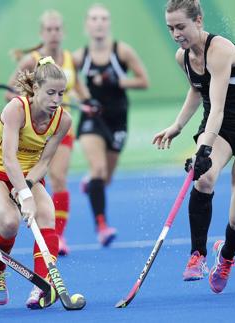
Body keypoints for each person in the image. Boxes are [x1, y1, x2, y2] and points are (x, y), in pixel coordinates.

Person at [154, 0, 235, 294]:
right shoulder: (182, 57)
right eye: (170, 28)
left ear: (198, 20)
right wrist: (178, 126)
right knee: (203, 177)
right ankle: (198, 255)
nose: (176, 34)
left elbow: (217, 107)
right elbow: (198, 89)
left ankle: (227, 256)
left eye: (181, 26)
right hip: (220, 131)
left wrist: (203, 150)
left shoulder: (219, 51)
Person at [0, 56, 72, 308]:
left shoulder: (63, 120)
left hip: (27, 176)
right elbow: (8, 158)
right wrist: (24, 195)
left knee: (47, 215)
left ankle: (41, 285)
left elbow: (44, 162)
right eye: (50, 93)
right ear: (35, 89)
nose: (56, 100)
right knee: (9, 221)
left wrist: (26, 185)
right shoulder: (16, 109)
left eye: (61, 94)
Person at [5, 10, 92, 256]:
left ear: (62, 32)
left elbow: (81, 91)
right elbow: (9, 94)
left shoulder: (69, 59)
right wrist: (37, 100)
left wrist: (90, 103)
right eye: (49, 30)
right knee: (37, 177)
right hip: (33, 132)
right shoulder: (30, 60)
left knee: (59, 178)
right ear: (42, 33)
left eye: (57, 29)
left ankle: (59, 236)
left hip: (59, 128)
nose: (53, 34)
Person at [73, 3, 149, 247]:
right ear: (86, 25)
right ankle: (102, 227)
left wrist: (116, 80)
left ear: (109, 24)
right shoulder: (79, 57)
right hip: (92, 119)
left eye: (103, 18)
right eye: (94, 18)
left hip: (117, 119)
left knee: (105, 179)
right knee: (98, 170)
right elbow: (66, 83)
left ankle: (92, 183)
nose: (99, 23)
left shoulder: (122, 51)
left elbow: (143, 81)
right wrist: (82, 100)